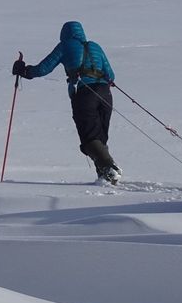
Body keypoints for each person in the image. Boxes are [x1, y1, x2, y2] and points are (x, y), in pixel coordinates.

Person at [12, 21, 121, 184]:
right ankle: (105, 177)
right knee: (100, 136)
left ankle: (110, 169)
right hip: (105, 94)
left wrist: (24, 71)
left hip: (84, 94)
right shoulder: (95, 46)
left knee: (89, 136)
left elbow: (44, 68)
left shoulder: (65, 46)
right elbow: (110, 75)